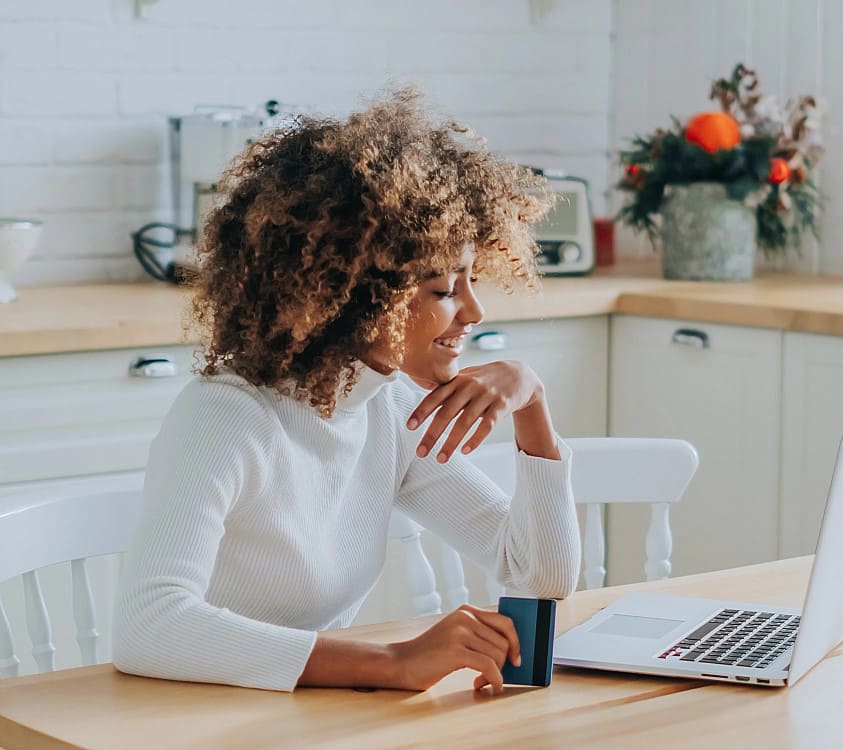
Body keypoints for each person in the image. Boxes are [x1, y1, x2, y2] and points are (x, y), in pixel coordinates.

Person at [111, 89, 581, 694]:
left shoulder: (385, 409)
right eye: (443, 289)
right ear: (357, 298)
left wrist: (533, 407)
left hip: (309, 720)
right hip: (192, 720)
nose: (475, 308)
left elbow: (538, 574)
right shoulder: (225, 418)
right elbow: (150, 628)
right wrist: (389, 664)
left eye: (471, 279)